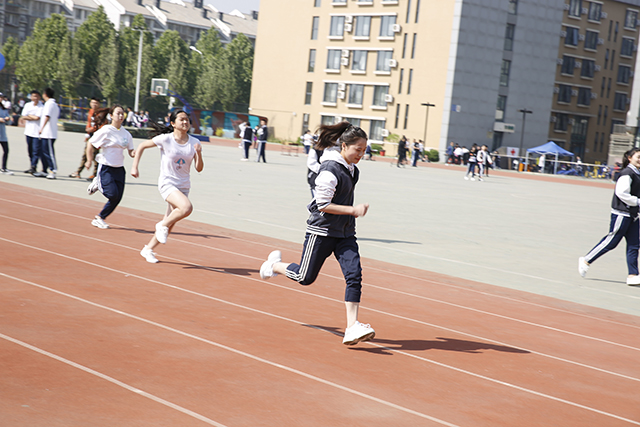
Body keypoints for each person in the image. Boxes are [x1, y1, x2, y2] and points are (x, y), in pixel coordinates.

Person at [259, 121, 375, 346]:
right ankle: (273, 266)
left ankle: (352, 327)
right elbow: (322, 204)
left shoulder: (353, 169)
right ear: (343, 146)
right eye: (357, 149)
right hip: (321, 231)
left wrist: (349, 217)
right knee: (305, 277)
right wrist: (352, 210)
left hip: (345, 233)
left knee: (354, 275)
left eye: (364, 150)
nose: (361, 154)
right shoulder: (329, 171)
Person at [131, 109, 204, 263]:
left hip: (184, 186)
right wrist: (134, 167)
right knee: (186, 208)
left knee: (170, 224)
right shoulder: (165, 139)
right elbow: (143, 145)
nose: (185, 122)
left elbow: (199, 168)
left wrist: (199, 154)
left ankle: (148, 249)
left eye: (187, 120)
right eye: (181, 119)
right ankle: (161, 224)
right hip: (167, 183)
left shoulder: (194, 142)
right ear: (173, 123)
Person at [579, 149, 640, 286]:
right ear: (630, 158)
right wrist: (637, 202)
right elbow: (621, 193)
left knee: (634, 245)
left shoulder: (637, 173)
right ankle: (586, 260)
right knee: (612, 241)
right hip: (622, 214)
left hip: (633, 215)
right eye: (638, 157)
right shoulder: (627, 173)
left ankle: (633, 275)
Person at [85, 105, 135, 229]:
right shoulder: (106, 130)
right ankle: (98, 183)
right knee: (112, 194)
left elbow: (131, 151)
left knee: (117, 197)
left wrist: (136, 153)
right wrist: (89, 160)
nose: (121, 116)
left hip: (119, 169)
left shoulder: (126, 134)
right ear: (111, 116)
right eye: (118, 113)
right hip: (106, 167)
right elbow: (90, 143)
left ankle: (100, 217)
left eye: (122, 113)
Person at [70, 98, 100, 179]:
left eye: (96, 103)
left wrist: (93, 129)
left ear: (99, 104)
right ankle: (79, 172)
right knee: (87, 154)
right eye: (92, 102)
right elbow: (89, 123)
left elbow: (102, 126)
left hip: (97, 136)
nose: (94, 104)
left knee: (94, 156)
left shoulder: (101, 114)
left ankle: (95, 174)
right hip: (90, 136)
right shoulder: (90, 111)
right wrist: (87, 133)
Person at [39, 87, 60, 180]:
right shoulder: (52, 104)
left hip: (49, 133)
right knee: (43, 152)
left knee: (49, 153)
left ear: (45, 94)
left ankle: (53, 170)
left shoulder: (50, 104)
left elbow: (47, 116)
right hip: (45, 133)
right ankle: (44, 170)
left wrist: (41, 128)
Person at [21, 91, 43, 175]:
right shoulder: (27, 105)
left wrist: (29, 116)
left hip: (37, 132)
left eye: (37, 96)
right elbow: (23, 116)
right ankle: (31, 165)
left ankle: (34, 166)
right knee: (30, 150)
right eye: (34, 96)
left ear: (39, 97)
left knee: (35, 150)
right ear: (31, 97)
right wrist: (31, 116)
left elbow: (37, 117)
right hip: (28, 131)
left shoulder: (41, 106)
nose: (35, 98)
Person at [0, 101, 12, 174]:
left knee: (6, 150)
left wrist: (8, 119)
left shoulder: (3, 108)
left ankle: (4, 168)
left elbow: (9, 122)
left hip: (2, 134)